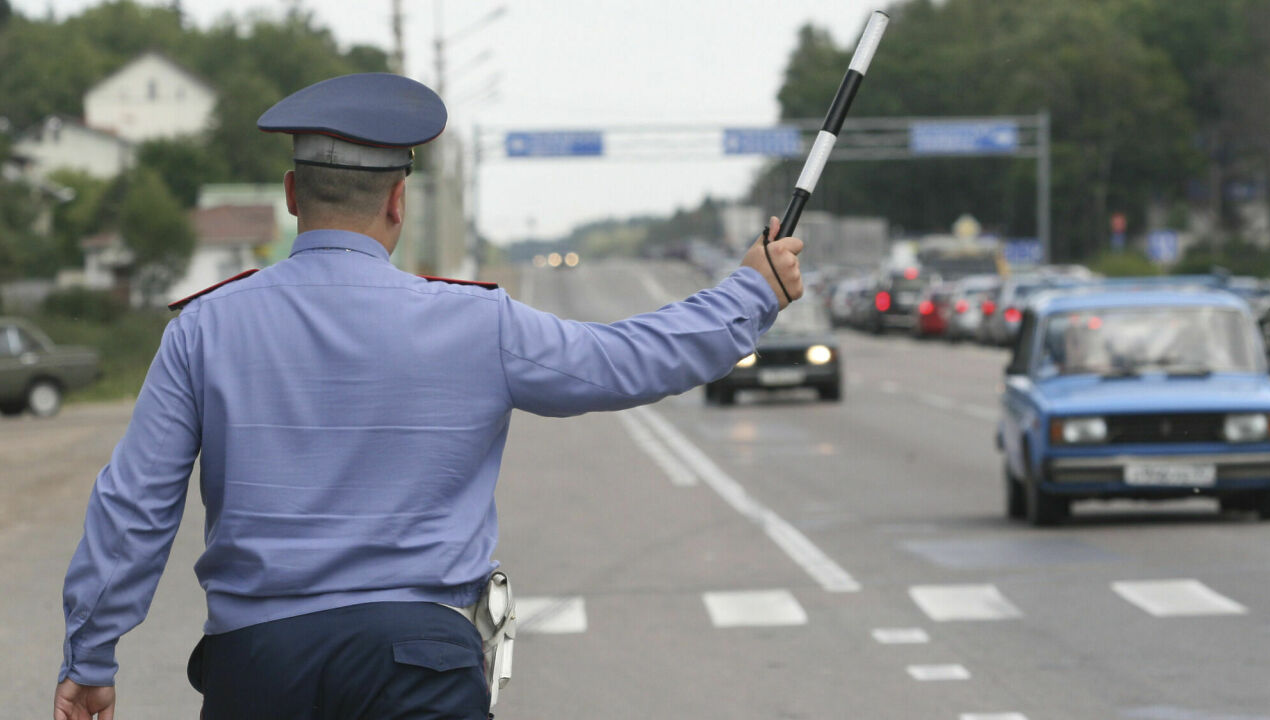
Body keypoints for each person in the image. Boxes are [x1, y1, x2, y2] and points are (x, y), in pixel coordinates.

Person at [54, 72, 803, 720]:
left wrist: (90, 657)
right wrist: (751, 292)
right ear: (399, 201)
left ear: (291, 194)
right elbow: (625, 361)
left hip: (259, 668)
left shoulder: (205, 328)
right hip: (420, 664)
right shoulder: (476, 322)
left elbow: (135, 504)